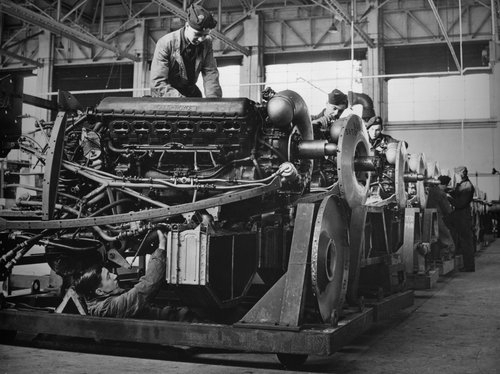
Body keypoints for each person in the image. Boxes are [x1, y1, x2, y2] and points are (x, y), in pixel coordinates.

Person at [74, 230, 193, 320]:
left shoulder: (102, 299)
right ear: (99, 291)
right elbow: (146, 288)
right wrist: (161, 247)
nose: (115, 276)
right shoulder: (106, 309)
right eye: (109, 277)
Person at [150, 4, 222, 98]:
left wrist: (214, 101)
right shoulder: (165, 43)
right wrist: (183, 102)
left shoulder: (206, 43)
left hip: (191, 92)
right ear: (187, 25)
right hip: (167, 95)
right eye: (198, 34)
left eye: (205, 35)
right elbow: (158, 83)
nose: (201, 39)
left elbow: (210, 73)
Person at [449, 166, 476, 272]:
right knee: (464, 240)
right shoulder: (463, 184)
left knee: (466, 242)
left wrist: (448, 197)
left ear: (461, 174)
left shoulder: (467, 186)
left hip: (463, 216)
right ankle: (467, 265)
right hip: (461, 215)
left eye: (456, 174)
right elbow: (457, 193)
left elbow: (460, 203)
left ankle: (469, 267)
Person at [426, 175, 455, 260]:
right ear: (445, 185)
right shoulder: (441, 193)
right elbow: (447, 209)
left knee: (432, 238)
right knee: (446, 236)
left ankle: (433, 258)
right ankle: (447, 255)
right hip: (437, 216)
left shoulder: (431, 190)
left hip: (427, 215)